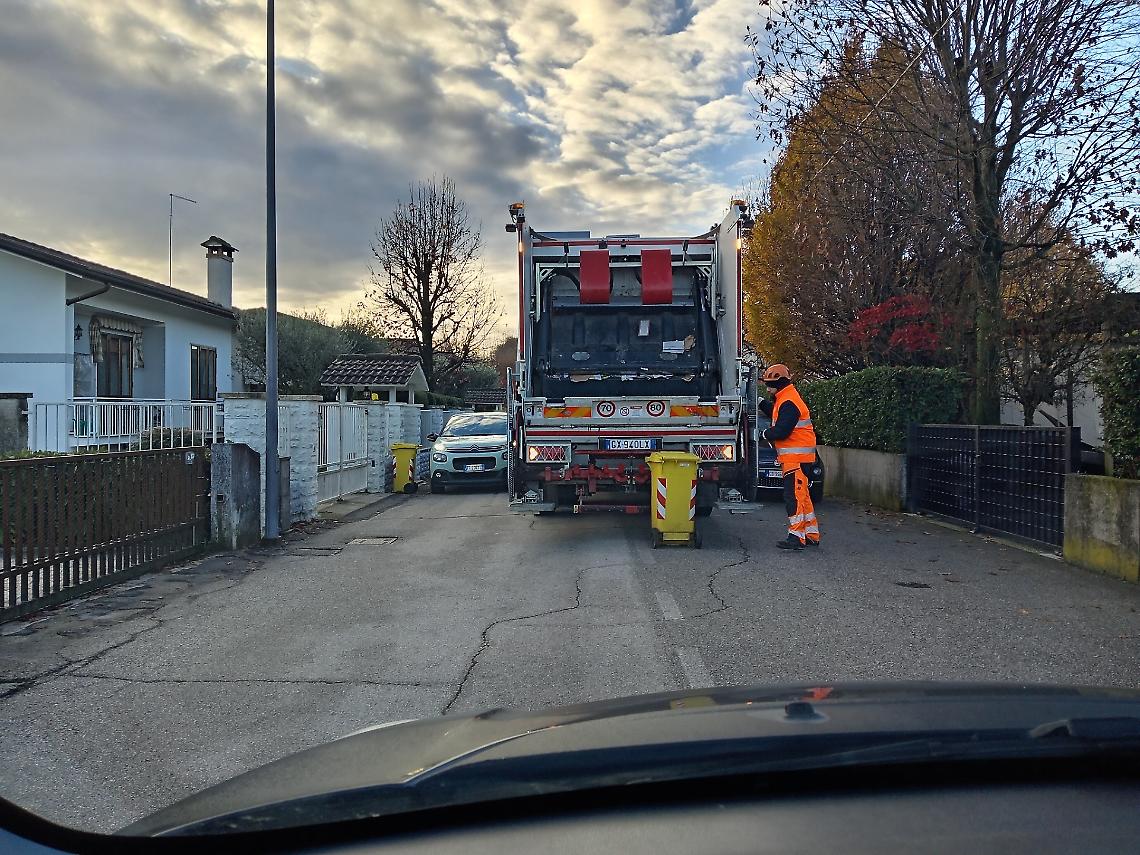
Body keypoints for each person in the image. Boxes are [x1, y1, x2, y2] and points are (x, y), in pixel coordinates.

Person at [757, 364, 821, 550]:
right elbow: (777, 415)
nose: (768, 388)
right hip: (799, 458)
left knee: (793, 498)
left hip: (796, 459)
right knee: (803, 498)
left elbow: (783, 430)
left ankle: (796, 537)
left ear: (779, 383)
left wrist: (764, 434)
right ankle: (811, 534)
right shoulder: (786, 398)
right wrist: (761, 402)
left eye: (770, 384)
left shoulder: (788, 401)